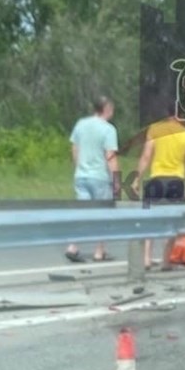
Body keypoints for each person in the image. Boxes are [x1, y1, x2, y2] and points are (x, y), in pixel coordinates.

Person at [134, 114, 185, 267]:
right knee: (171, 222)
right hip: (176, 181)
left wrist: (136, 179)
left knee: (149, 219)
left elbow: (146, 156)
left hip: (156, 178)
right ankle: (165, 260)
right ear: (180, 115)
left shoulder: (155, 129)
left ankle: (146, 259)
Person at [66, 96, 119, 263]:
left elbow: (74, 148)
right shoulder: (108, 129)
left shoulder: (81, 124)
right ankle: (99, 251)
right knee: (103, 215)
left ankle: (73, 246)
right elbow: (110, 156)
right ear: (107, 108)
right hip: (100, 178)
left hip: (81, 176)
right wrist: (116, 180)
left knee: (82, 213)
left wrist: (79, 168)